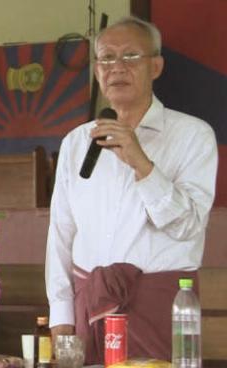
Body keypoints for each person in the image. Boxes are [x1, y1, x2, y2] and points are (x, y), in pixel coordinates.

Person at [45, 16, 218, 364]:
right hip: (88, 305)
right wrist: (61, 314)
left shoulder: (193, 136)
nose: (117, 67)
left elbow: (187, 227)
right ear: (96, 71)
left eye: (130, 57)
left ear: (156, 66)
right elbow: (61, 234)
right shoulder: (77, 142)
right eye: (107, 58)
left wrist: (143, 165)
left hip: (159, 304)